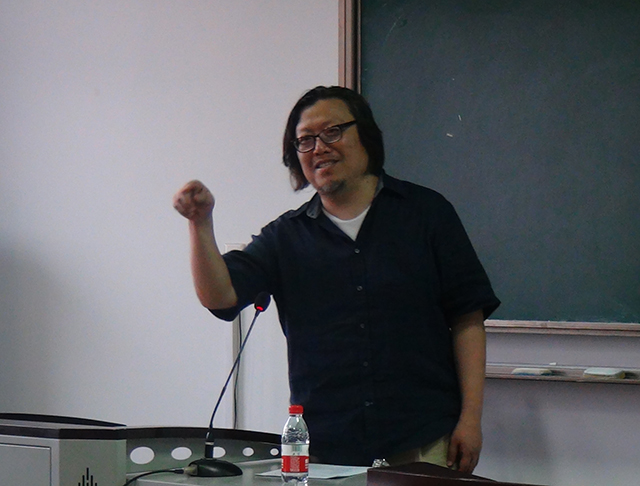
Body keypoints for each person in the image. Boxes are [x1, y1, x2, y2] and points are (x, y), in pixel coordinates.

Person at [173, 86, 500, 473]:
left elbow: (467, 319)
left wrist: (470, 420)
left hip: (423, 439)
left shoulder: (427, 214)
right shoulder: (285, 237)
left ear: (366, 136)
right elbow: (220, 296)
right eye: (305, 140)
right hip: (328, 449)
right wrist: (200, 224)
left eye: (332, 132)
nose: (319, 148)